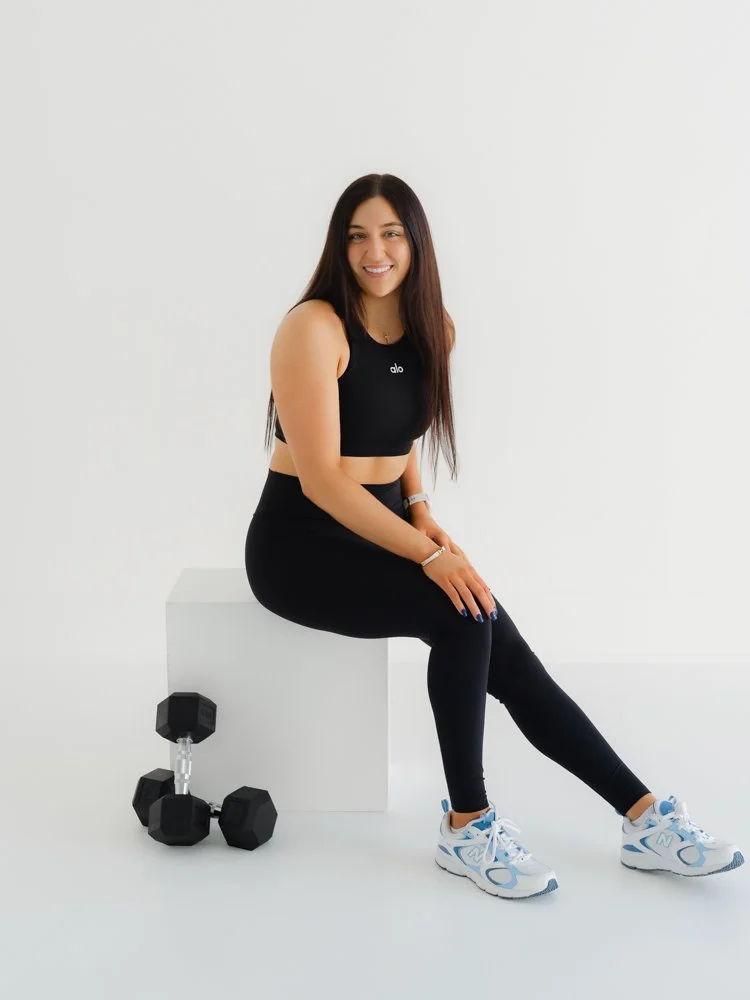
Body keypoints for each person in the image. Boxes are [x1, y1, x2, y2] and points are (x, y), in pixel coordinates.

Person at [245, 173, 744, 900]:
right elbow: (322, 479)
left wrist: (421, 509)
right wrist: (431, 554)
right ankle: (467, 825)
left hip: (383, 527)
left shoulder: (433, 328)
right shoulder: (313, 327)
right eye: (357, 235)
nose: (373, 250)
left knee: (494, 639)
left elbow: (395, 431)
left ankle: (643, 817)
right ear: (339, 245)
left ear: (416, 241)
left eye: (390, 233)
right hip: (300, 546)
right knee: (461, 611)